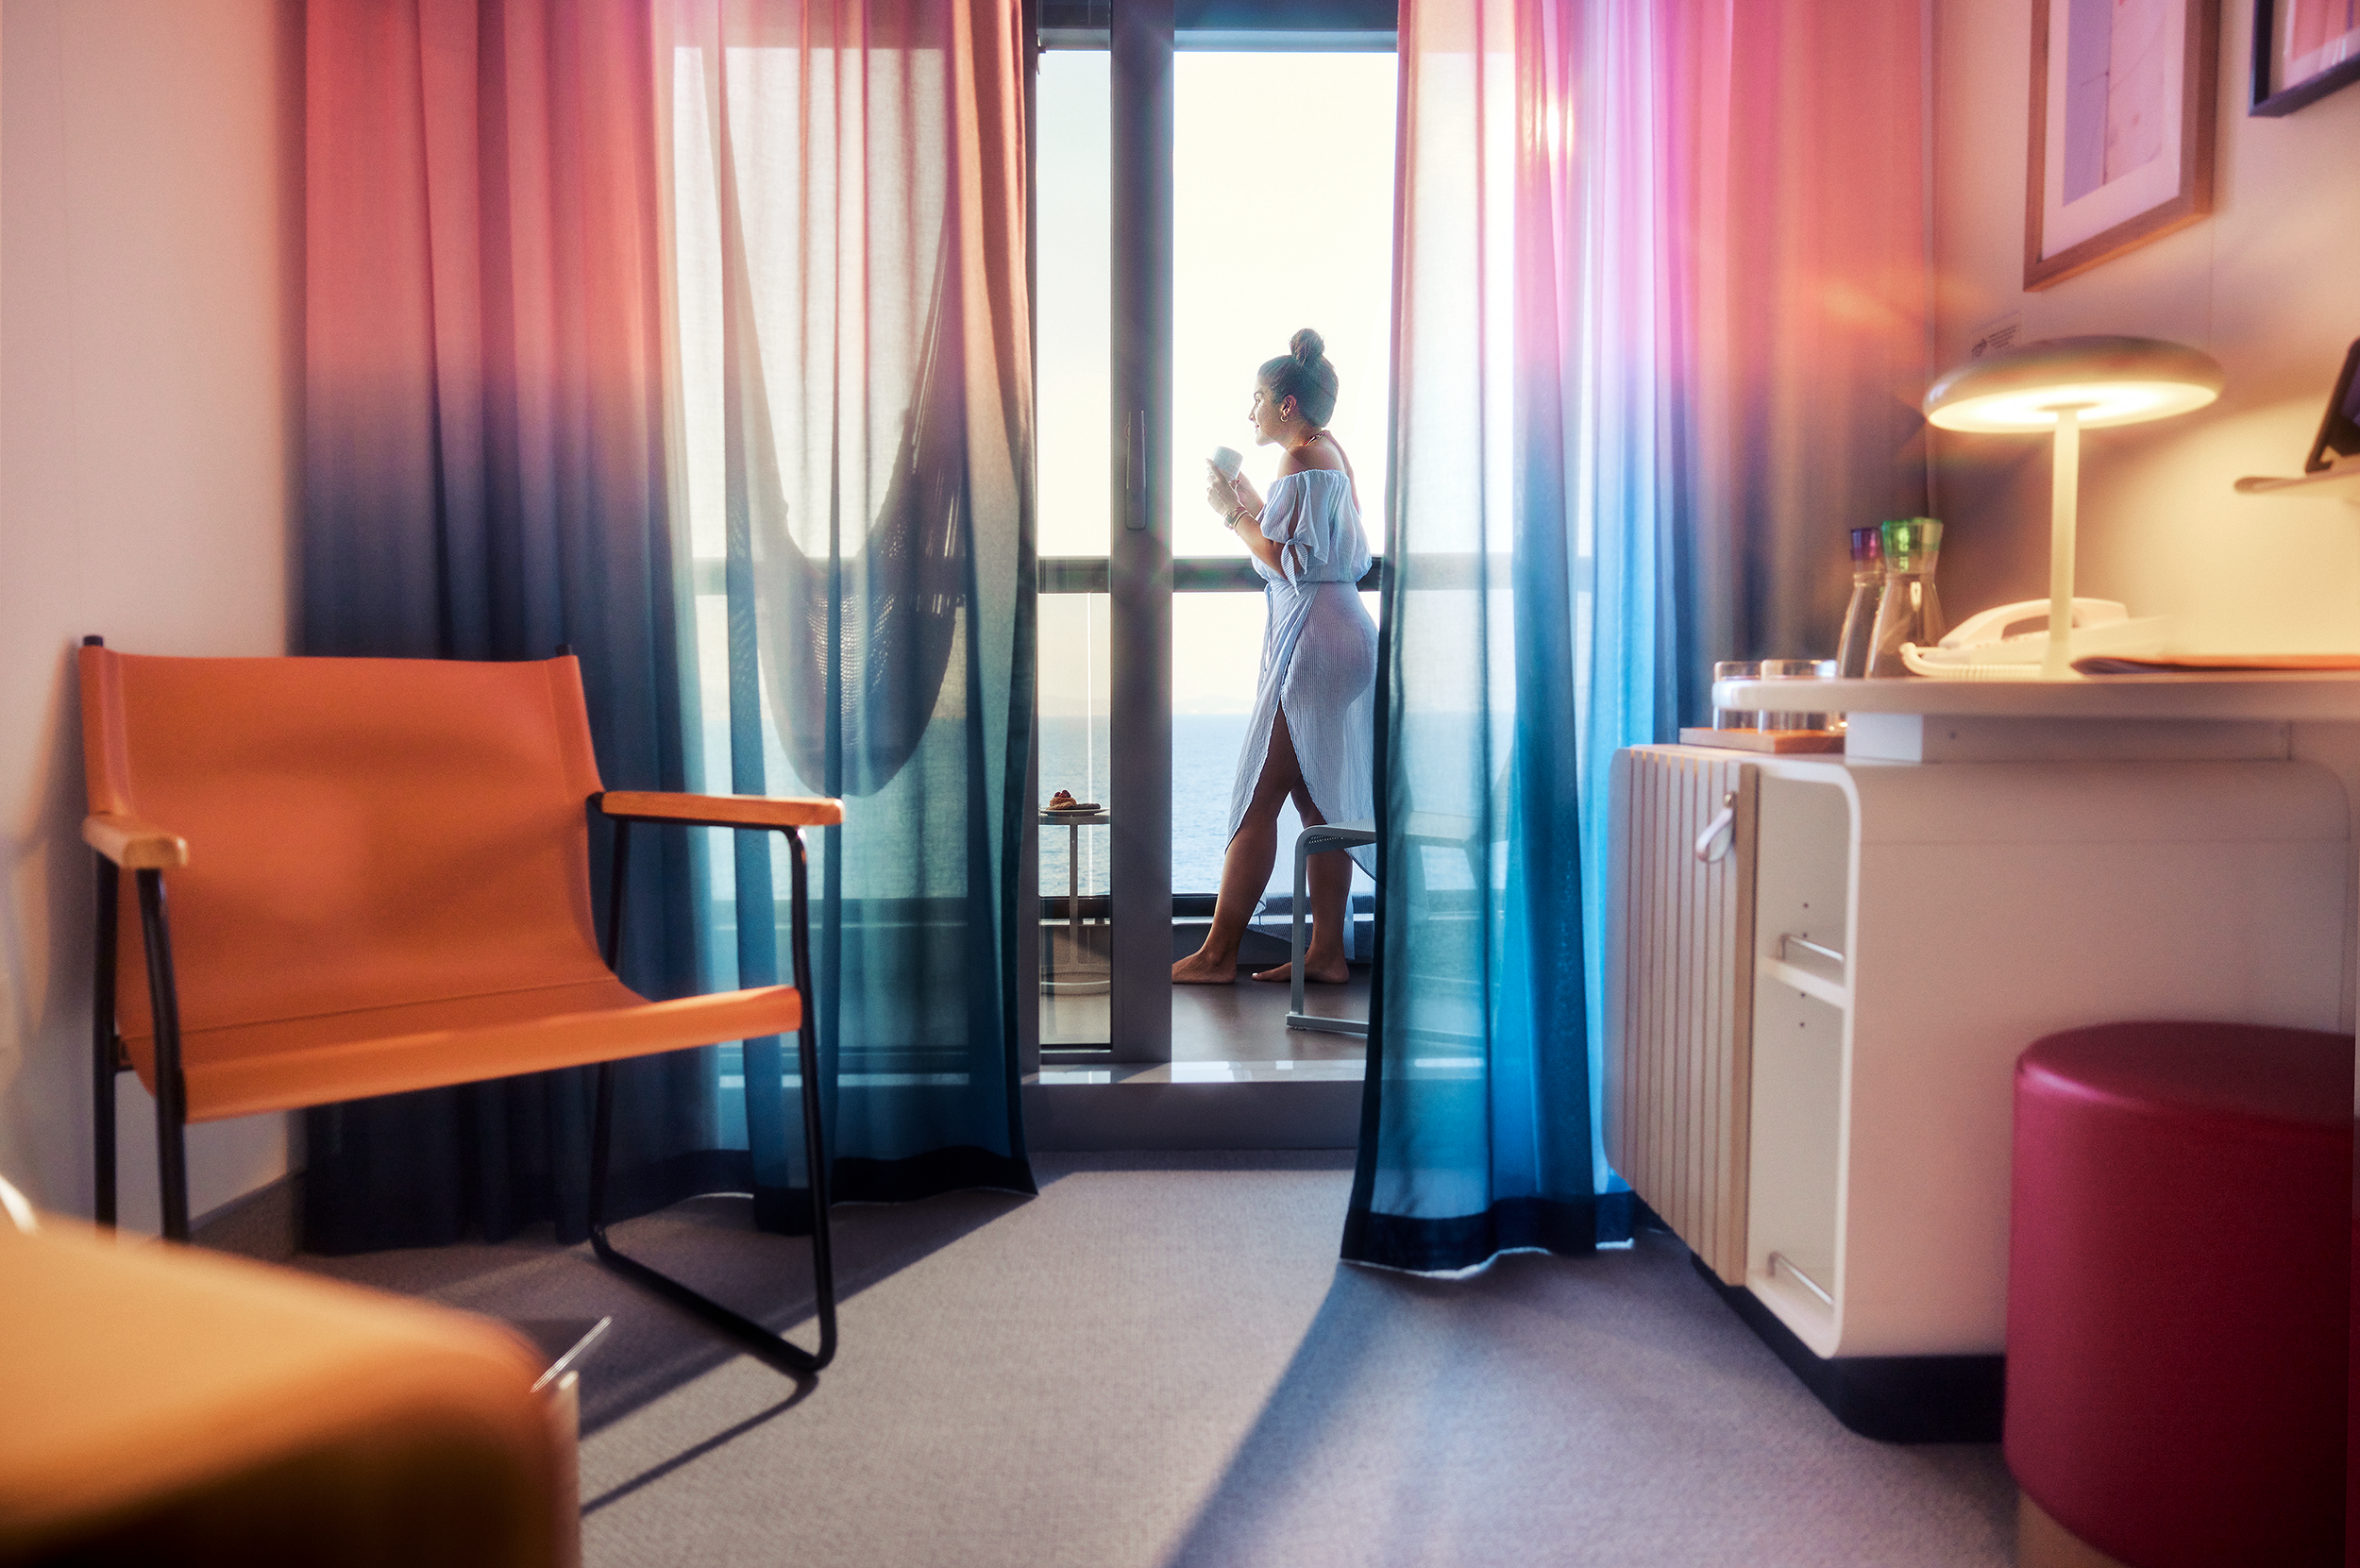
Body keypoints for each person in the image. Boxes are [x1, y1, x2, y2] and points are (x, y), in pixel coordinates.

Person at [1172, 329, 1377, 986]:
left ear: (1287, 404)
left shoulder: (1299, 460)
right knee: (1319, 801)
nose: (1251, 411)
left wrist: (1229, 513)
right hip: (1344, 634)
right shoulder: (1326, 451)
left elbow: (1288, 562)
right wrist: (1247, 500)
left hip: (1313, 642)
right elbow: (1302, 543)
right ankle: (1327, 952)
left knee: (1259, 794)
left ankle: (1217, 954)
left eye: (1258, 398)